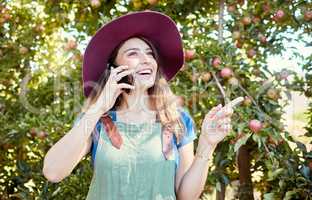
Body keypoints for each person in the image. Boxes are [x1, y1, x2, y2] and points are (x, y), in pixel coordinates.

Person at [43, 11, 235, 200]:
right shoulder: (97, 120)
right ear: (114, 68)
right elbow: (53, 172)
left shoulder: (178, 120)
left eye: (150, 53)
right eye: (133, 53)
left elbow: (186, 196)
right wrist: (99, 107)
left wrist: (207, 146)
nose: (146, 60)